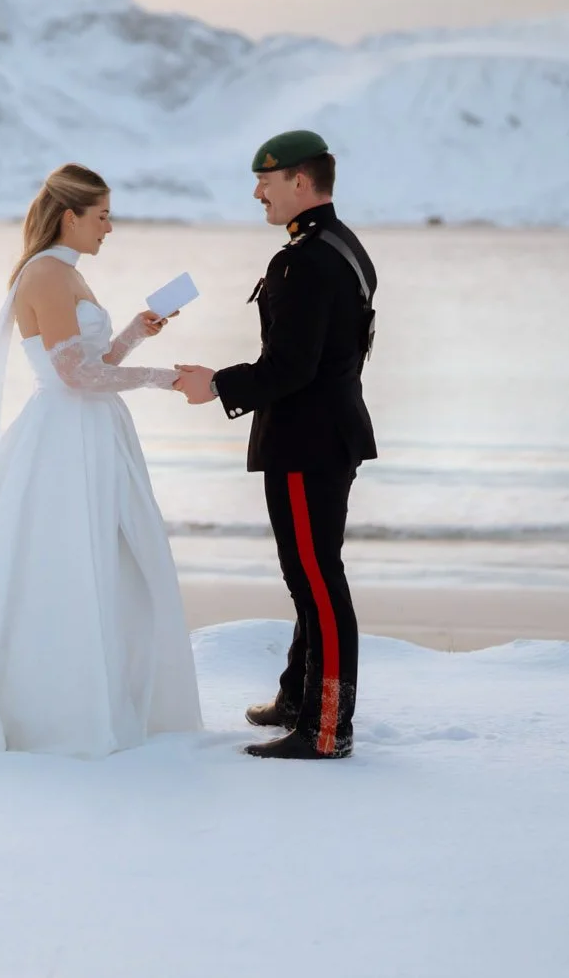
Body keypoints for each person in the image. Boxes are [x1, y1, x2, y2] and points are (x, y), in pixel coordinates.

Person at [0, 163, 203, 756]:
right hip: (66, 436)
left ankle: (104, 690)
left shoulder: (65, 273)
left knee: (106, 557)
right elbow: (74, 376)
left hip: (92, 429)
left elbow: (89, 358)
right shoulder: (46, 274)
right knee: (63, 561)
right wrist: (166, 377)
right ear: (70, 217)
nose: (110, 228)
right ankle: (54, 707)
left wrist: (135, 335)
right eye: (101, 216)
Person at [174, 131, 376, 760]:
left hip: (306, 440)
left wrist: (217, 385)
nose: (257, 191)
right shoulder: (340, 245)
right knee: (310, 575)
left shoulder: (305, 260)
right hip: (329, 431)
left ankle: (326, 729)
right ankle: (298, 695)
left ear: (300, 182)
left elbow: (291, 367)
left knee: (317, 580)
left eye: (267, 180)